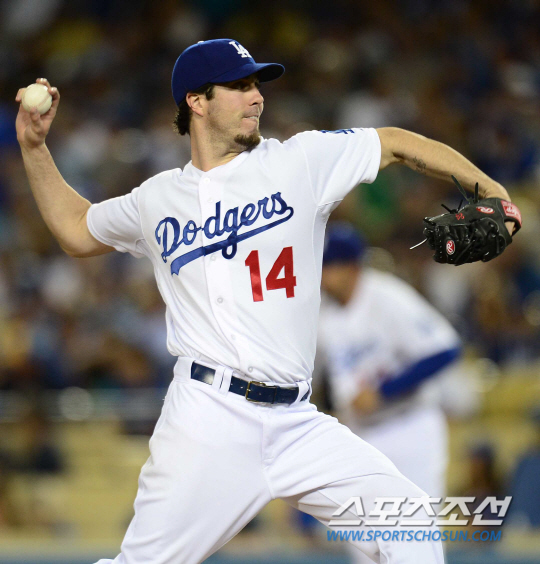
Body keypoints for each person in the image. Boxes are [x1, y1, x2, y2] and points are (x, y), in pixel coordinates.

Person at [14, 38, 514, 564]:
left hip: (296, 420)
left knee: (408, 520)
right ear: (196, 101)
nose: (256, 96)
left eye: (256, 84)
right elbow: (76, 228)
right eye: (238, 85)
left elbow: (393, 142)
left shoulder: (300, 161)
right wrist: (35, 148)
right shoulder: (156, 199)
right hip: (207, 419)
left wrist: (491, 190)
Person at [319, 222, 462, 563]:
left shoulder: (387, 296)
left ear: (352, 267)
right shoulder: (323, 311)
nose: (322, 275)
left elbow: (445, 349)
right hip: (360, 434)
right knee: (364, 545)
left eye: (329, 266)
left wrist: (384, 391)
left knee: (414, 536)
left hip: (409, 427)